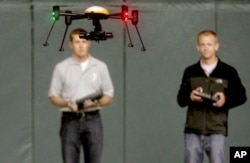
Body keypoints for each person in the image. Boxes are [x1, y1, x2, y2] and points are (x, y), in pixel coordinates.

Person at [177, 30, 247, 163]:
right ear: (197, 47)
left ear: (216, 46)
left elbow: (242, 96)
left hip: (217, 131)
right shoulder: (190, 71)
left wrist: (225, 100)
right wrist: (190, 96)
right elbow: (180, 100)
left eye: (209, 44)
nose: (205, 48)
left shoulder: (228, 71)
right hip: (193, 131)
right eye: (202, 44)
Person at [48, 28, 114, 163]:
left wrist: (97, 103)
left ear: (89, 42)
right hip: (70, 120)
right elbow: (53, 96)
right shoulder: (61, 67)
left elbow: (109, 95)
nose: (81, 45)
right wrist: (66, 103)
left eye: (84, 41)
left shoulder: (100, 66)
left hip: (93, 119)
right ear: (71, 44)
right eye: (77, 42)